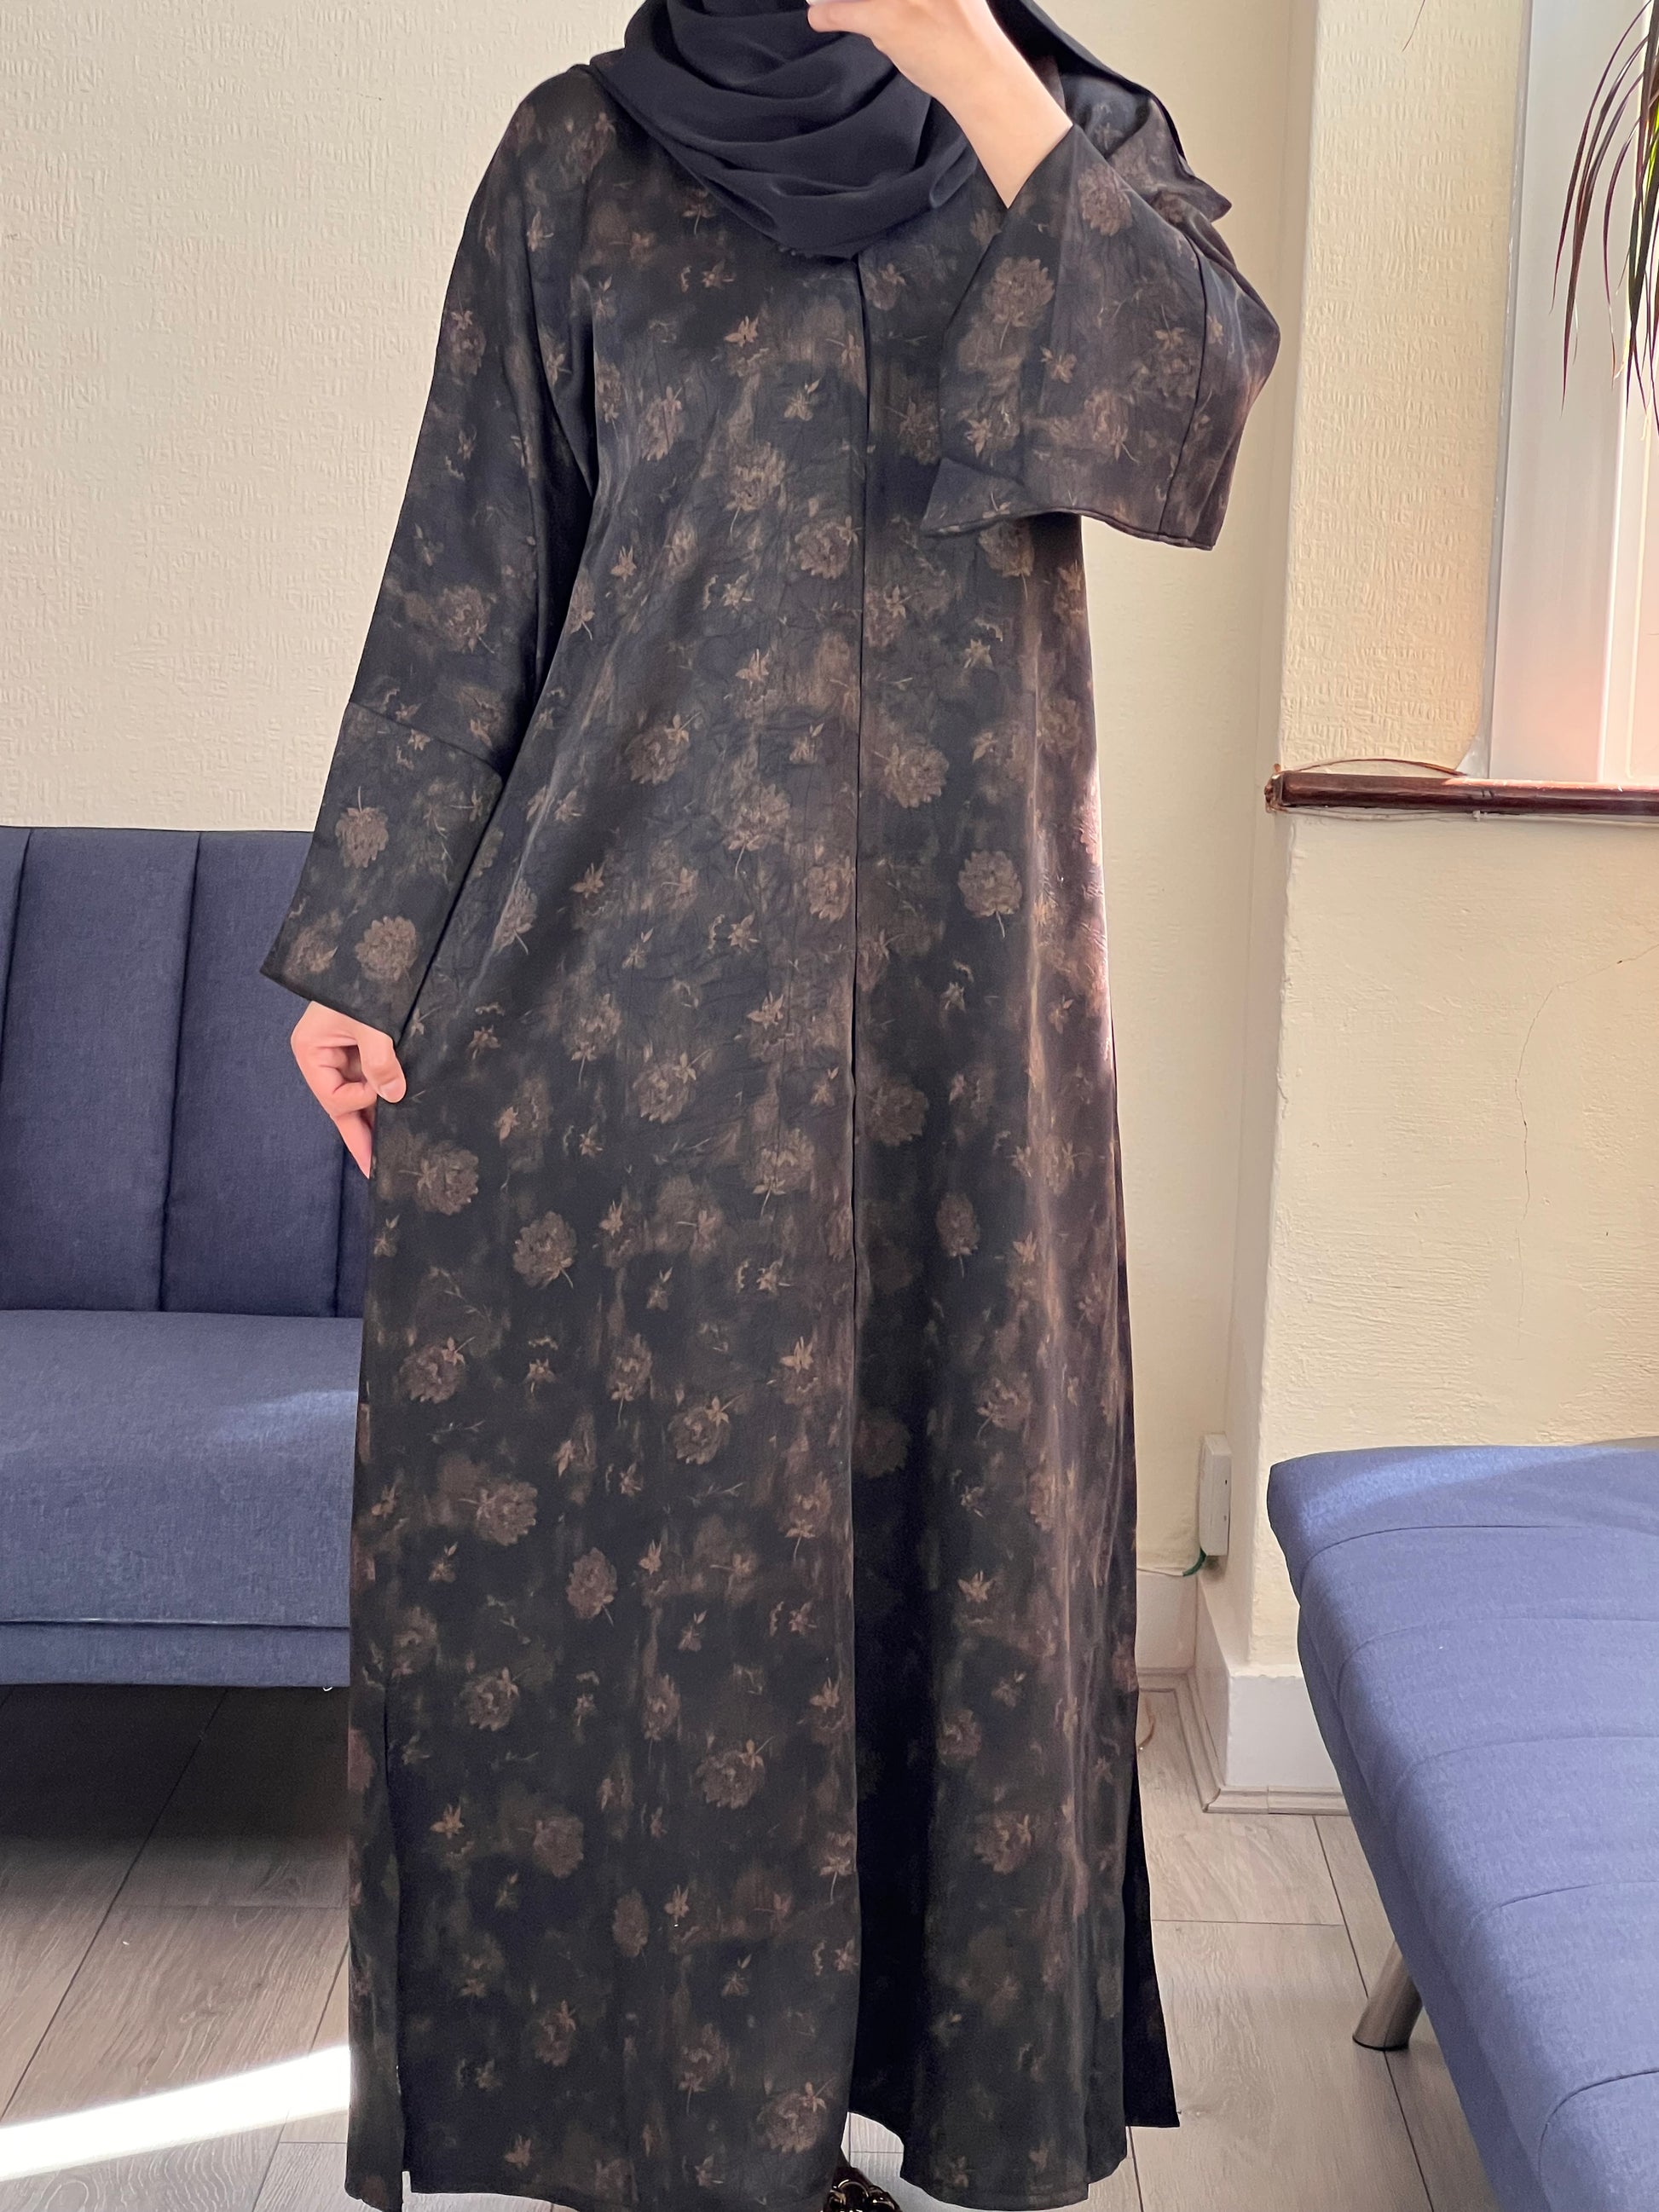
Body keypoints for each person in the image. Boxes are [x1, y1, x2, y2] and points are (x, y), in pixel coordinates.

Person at [262, 3, 1280, 2209]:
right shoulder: (578, 163)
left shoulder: (1061, 136)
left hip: (966, 1029)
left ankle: (903, 2107)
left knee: (955, 1537)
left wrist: (971, 61)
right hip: (637, 1016)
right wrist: (365, 945)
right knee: (682, 1581)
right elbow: (472, 571)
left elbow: (1182, 419)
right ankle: (715, 2147)